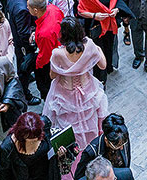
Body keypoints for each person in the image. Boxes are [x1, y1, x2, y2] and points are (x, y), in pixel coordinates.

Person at [44, 16, 109, 154]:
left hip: (65, 94)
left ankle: (73, 151)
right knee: (91, 121)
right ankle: (91, 149)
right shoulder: (90, 45)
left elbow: (52, 75)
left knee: (68, 126)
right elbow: (103, 66)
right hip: (88, 90)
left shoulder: (57, 53)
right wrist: (98, 49)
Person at [77, 0, 129, 85]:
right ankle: (101, 77)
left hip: (110, 24)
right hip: (96, 26)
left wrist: (116, 9)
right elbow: (80, 10)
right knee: (98, 51)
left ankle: (108, 67)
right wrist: (95, 15)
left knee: (110, 46)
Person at [0, 111, 61, 180]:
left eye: (37, 138)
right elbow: (5, 174)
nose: (35, 141)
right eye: (30, 139)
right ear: (21, 136)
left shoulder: (44, 127)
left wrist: (60, 153)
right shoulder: (7, 148)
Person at [27, 0, 64, 99]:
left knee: (46, 87)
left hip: (50, 62)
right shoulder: (53, 8)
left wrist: (37, 65)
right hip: (59, 48)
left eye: (28, 6)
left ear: (35, 10)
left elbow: (45, 57)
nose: (26, 8)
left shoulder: (44, 34)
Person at [74, 114, 132, 180]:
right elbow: (79, 177)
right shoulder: (91, 152)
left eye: (123, 144)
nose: (122, 148)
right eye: (117, 146)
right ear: (106, 140)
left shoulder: (122, 138)